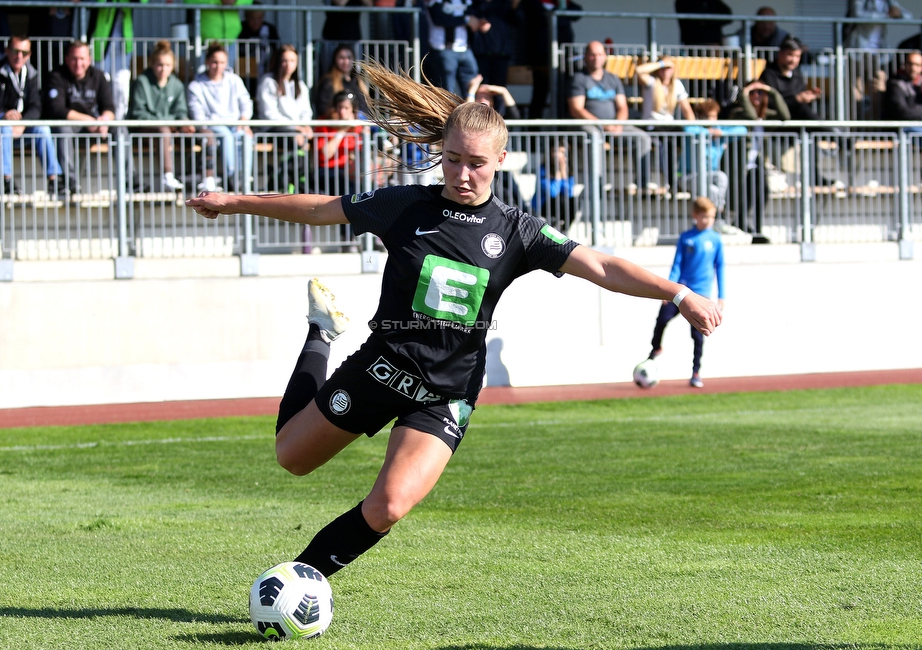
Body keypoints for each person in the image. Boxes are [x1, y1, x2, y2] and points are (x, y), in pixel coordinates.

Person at [185, 61, 722, 581]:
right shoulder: (402, 207)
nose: (464, 174)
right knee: (291, 459)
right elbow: (317, 209)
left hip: (447, 390)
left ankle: (303, 579)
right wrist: (234, 202)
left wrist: (680, 294)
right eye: (453, 159)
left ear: (501, 160)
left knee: (389, 505)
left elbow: (603, 266)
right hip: (382, 366)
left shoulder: (518, 231)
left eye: (477, 163)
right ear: (439, 152)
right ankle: (321, 334)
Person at [647, 196, 725, 389]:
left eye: (712, 217)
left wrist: (721, 295)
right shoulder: (686, 237)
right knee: (662, 319)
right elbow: (677, 265)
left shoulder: (715, 239)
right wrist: (668, 289)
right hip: (680, 292)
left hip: (701, 296)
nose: (709, 220)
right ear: (695, 216)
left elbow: (720, 267)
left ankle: (695, 372)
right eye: (705, 216)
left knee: (698, 335)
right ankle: (654, 350)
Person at [0, 35, 63, 196]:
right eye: (15, 51)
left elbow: (36, 106)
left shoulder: (32, 74)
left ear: (29, 55)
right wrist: (1, 116)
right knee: (5, 129)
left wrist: (24, 123)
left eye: (24, 52)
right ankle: (7, 181)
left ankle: (54, 179)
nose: (19, 56)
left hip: (21, 129)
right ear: (7, 51)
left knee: (43, 129)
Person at [567, 40, 651, 189]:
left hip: (614, 125)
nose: (596, 58)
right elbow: (576, 109)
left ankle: (643, 183)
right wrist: (602, 124)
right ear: (586, 57)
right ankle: (598, 184)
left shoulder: (613, 79)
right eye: (592, 55)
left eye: (599, 54)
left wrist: (618, 124)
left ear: (605, 57)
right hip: (590, 125)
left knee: (642, 138)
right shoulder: (579, 78)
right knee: (595, 137)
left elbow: (622, 106)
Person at [43, 41, 117, 195]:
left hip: (95, 127)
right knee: (62, 129)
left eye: (82, 59)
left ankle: (131, 181)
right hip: (72, 126)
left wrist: (104, 120)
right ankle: (70, 183)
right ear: (67, 59)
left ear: (89, 59)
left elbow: (109, 107)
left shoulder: (98, 76)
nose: (78, 63)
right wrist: (89, 120)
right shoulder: (57, 76)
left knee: (119, 129)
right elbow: (57, 110)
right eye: (74, 58)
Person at [723, 80, 789, 240]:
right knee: (748, 190)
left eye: (761, 93)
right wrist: (744, 94)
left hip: (757, 160)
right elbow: (751, 117)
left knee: (763, 191)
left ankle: (755, 227)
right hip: (739, 160)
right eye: (753, 92)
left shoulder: (765, 115)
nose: (757, 95)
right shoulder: (738, 112)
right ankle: (742, 222)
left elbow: (785, 116)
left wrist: (771, 90)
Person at [129, 40, 196, 191]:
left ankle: (196, 176)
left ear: (173, 66)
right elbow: (138, 113)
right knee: (163, 131)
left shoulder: (177, 84)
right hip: (144, 129)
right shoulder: (141, 81)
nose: (163, 69)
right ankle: (168, 175)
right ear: (152, 64)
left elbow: (181, 112)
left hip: (170, 129)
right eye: (160, 65)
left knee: (199, 133)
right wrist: (170, 123)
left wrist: (184, 122)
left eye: (167, 65)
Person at [188, 42, 255, 193]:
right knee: (226, 136)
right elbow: (198, 115)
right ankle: (233, 176)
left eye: (222, 62)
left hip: (235, 124)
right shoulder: (196, 85)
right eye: (214, 62)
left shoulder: (234, 80)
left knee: (245, 136)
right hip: (213, 125)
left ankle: (244, 178)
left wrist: (244, 120)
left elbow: (245, 102)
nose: (218, 66)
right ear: (207, 62)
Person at [636, 55, 695, 190]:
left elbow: (687, 110)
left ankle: (683, 178)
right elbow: (639, 70)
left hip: (669, 126)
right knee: (667, 144)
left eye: (669, 68)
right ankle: (671, 181)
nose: (665, 71)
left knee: (686, 139)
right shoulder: (651, 82)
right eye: (663, 68)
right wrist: (661, 63)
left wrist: (694, 129)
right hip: (652, 125)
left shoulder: (677, 85)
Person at [680, 98, 745, 217]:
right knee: (713, 189)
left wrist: (722, 134)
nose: (712, 120)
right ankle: (717, 218)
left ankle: (716, 216)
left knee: (719, 180)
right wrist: (708, 133)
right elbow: (688, 129)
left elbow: (743, 130)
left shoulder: (718, 129)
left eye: (714, 116)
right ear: (699, 116)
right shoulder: (695, 128)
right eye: (708, 117)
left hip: (710, 176)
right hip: (687, 176)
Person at [88, 0, 147, 119]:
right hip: (101, 44)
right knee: (100, 83)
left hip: (124, 44)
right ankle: (99, 123)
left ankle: (119, 127)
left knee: (121, 87)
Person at [257, 44, 315, 150]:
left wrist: (305, 126)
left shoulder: (301, 86)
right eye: (285, 60)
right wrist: (295, 127)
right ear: (278, 62)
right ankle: (291, 166)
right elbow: (270, 114)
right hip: (274, 128)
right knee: (296, 139)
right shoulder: (268, 82)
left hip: (297, 130)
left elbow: (306, 112)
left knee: (316, 139)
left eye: (292, 61)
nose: (288, 64)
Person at [424, 0, 480, 97]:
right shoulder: (437, 1)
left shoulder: (466, 1)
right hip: (444, 49)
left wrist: (480, 21)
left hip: (465, 49)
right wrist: (466, 20)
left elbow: (474, 16)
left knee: (471, 84)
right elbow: (439, 19)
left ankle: (470, 109)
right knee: (447, 89)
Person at [314, 90, 364, 196]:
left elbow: (358, 154)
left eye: (346, 108)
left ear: (353, 111)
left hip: (349, 171)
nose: (342, 112)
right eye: (339, 107)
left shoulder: (357, 126)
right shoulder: (324, 123)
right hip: (327, 170)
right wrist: (343, 130)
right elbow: (325, 155)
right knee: (349, 190)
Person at [759, 37, 819, 122]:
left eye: (797, 56)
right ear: (780, 54)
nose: (793, 60)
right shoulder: (769, 74)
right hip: (778, 120)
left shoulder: (797, 74)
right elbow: (769, 102)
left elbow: (801, 95)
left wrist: (808, 96)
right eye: (790, 55)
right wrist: (796, 99)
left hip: (797, 118)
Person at [188, 0, 254, 71]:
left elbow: (249, 1)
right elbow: (188, 1)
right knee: (202, 75)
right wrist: (218, 1)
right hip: (205, 43)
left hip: (230, 41)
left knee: (227, 75)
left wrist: (235, 1)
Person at [312, 44, 369, 119]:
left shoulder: (358, 81)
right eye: (341, 58)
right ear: (335, 59)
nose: (346, 61)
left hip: (361, 125)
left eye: (349, 57)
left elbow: (366, 107)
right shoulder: (328, 81)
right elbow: (323, 108)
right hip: (338, 126)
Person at [882, 50, 922, 128]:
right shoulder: (895, 84)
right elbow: (902, 112)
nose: (913, 68)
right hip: (904, 128)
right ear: (904, 64)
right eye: (910, 64)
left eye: (917, 65)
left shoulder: (920, 83)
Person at [239, 8, 280, 78]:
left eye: (259, 18)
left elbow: (277, 50)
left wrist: (270, 67)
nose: (256, 21)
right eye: (252, 18)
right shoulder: (240, 28)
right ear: (246, 17)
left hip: (264, 67)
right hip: (244, 70)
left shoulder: (270, 29)